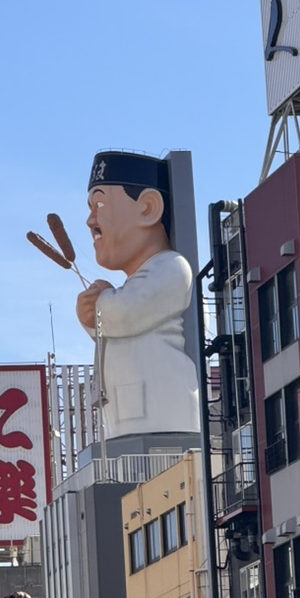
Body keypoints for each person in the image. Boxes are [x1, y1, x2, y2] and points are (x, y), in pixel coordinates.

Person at [76, 151, 199, 440]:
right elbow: (114, 322)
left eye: (100, 203)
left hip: (168, 422)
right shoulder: (135, 283)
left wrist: (101, 302)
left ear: (147, 207)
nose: (90, 220)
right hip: (126, 422)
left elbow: (126, 314)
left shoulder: (171, 267)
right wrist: (91, 317)